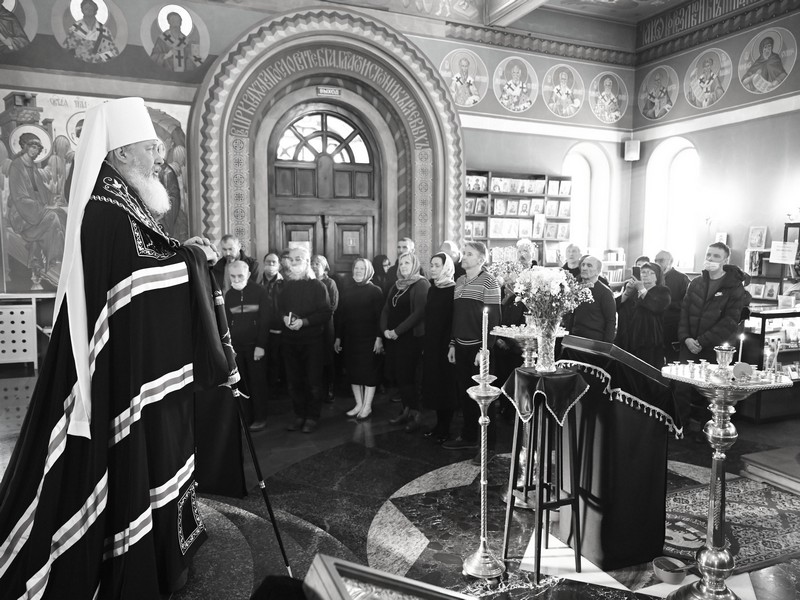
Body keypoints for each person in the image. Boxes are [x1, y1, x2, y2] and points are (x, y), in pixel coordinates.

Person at [0, 97, 229, 597]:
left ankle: (171, 554)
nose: (159, 157)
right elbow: (132, 285)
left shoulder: (129, 203)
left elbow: (149, 265)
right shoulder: (106, 212)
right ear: (122, 153)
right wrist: (190, 260)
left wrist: (184, 254)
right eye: (150, 148)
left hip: (150, 372)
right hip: (125, 374)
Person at [676, 242, 749, 430]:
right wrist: (686, 338)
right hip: (689, 343)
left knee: (710, 391)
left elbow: (730, 321)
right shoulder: (696, 283)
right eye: (709, 254)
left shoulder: (734, 287)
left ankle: (708, 430)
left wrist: (701, 341)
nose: (710, 258)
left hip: (713, 347)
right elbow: (684, 313)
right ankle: (679, 426)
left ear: (725, 260)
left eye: (716, 256)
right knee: (681, 387)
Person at [443, 242, 502, 452]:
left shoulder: (489, 281)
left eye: (469, 254)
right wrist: (452, 343)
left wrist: (484, 349)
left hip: (479, 349)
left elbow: (494, 320)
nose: (464, 257)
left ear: (481, 259)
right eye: (464, 253)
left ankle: (488, 447)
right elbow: (457, 317)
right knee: (465, 394)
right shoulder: (459, 281)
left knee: (484, 398)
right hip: (460, 346)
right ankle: (468, 436)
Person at [278, 246, 332, 434]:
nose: (294, 263)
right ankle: (299, 415)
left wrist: (304, 322)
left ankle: (312, 417)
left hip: (312, 341)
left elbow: (326, 313)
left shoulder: (318, 286)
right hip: (290, 341)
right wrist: (284, 318)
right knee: (294, 382)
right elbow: (279, 309)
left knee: (313, 381)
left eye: (298, 259)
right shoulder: (286, 287)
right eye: (292, 259)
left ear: (307, 261)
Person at [381, 252, 430, 432]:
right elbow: (386, 309)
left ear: (415, 265)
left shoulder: (421, 284)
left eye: (407, 263)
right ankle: (406, 409)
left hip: (411, 338)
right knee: (400, 376)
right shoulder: (397, 285)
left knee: (410, 376)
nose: (403, 267)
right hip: (394, 338)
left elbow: (419, 313)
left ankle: (416, 414)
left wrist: (397, 331)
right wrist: (384, 330)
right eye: (401, 264)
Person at [7, 132, 66, 278]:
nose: (35, 150)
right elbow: (19, 198)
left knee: (61, 214)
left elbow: (41, 190)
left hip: (36, 209)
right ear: (25, 146)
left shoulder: (33, 167)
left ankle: (58, 259)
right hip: (21, 213)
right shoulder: (16, 166)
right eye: (32, 147)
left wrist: (53, 198)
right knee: (52, 217)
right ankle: (54, 260)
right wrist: (44, 208)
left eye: (38, 148)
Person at [335, 258, 384, 419]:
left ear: (368, 271)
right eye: (356, 268)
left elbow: (380, 318)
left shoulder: (375, 291)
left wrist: (379, 338)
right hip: (351, 338)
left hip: (369, 338)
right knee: (353, 372)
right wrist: (338, 337)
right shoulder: (347, 290)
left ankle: (367, 406)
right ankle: (358, 404)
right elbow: (341, 317)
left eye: (362, 268)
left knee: (369, 373)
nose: (358, 271)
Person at [225, 260, 270, 431]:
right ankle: (246, 417)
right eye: (233, 276)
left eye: (240, 276)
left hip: (255, 346)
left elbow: (265, 320)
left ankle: (260, 417)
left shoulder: (259, 291)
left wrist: (261, 345)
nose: (236, 280)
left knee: (257, 383)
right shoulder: (229, 295)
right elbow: (227, 323)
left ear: (249, 275)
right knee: (241, 383)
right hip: (237, 347)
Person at [421, 253, 457, 443]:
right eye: (431, 265)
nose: (433, 269)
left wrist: (452, 343)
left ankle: (445, 428)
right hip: (432, 343)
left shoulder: (454, 290)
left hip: (446, 345)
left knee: (445, 385)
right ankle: (438, 425)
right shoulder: (432, 289)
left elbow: (454, 320)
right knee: (434, 384)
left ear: (446, 267)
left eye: (437, 265)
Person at [615, 262, 671, 368]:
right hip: (627, 340)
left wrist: (642, 289)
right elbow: (616, 307)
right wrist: (627, 293)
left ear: (657, 277)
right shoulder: (633, 291)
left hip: (648, 342)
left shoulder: (663, 291)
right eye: (643, 272)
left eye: (651, 273)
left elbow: (656, 307)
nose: (646, 275)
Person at [564, 255, 616, 343]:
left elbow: (611, 321)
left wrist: (606, 346)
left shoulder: (605, 293)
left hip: (594, 342)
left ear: (598, 271)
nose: (584, 268)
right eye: (583, 265)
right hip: (574, 339)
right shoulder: (576, 288)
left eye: (589, 265)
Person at [311, 254, 339, 403]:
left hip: (326, 326)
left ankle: (330, 388)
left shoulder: (330, 283)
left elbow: (333, 305)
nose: (314, 266)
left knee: (327, 358)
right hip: (311, 327)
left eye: (318, 264)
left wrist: (316, 314)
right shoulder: (308, 282)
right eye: (312, 263)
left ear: (324, 266)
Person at [655, 250, 690, 363]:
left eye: (661, 260)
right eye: (655, 260)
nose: (657, 263)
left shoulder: (681, 278)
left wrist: (667, 303)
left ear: (671, 261)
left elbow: (687, 303)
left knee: (671, 359)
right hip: (655, 325)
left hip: (672, 326)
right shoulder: (653, 277)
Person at [257, 252, 285, 390]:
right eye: (268, 262)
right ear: (264, 263)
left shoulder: (284, 283)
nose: (271, 265)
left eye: (274, 262)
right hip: (260, 327)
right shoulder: (257, 281)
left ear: (279, 265)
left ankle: (275, 387)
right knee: (262, 359)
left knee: (276, 359)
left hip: (278, 328)